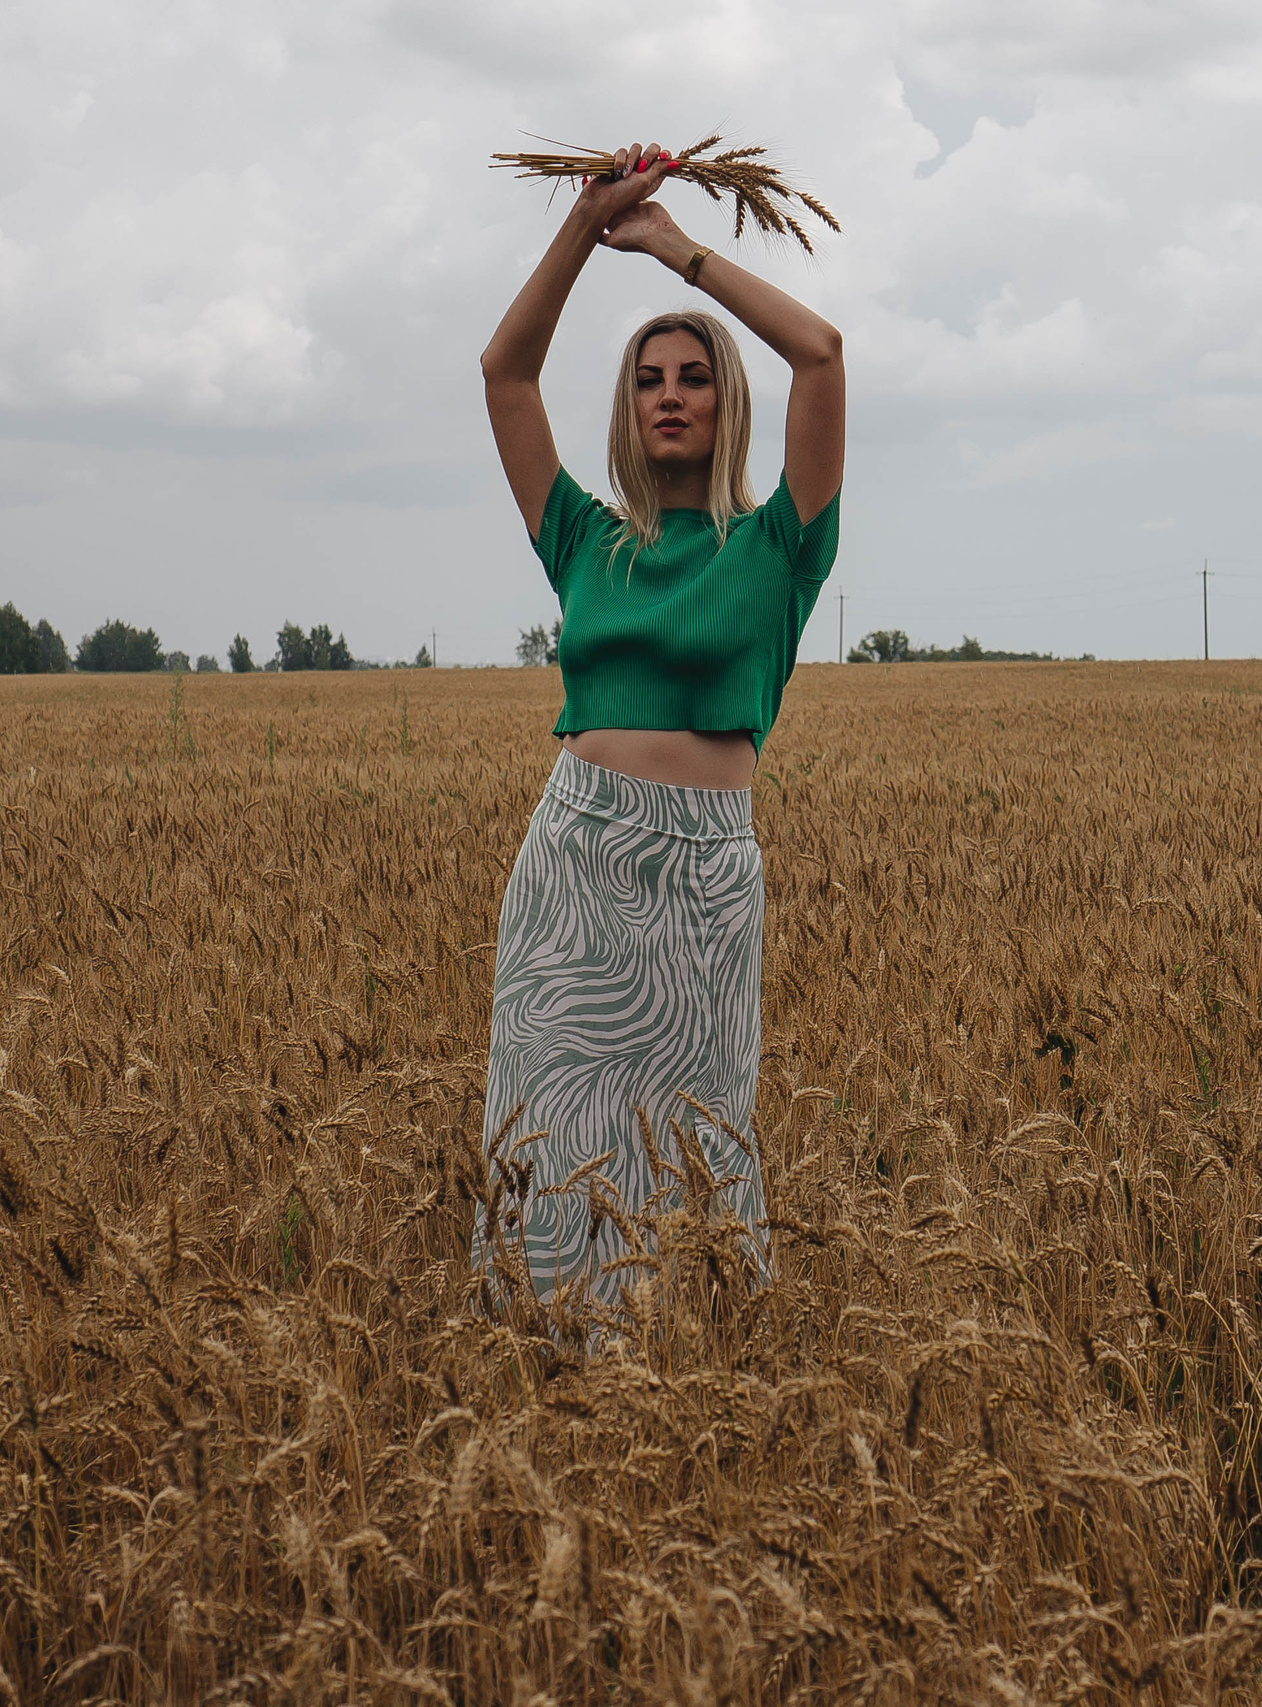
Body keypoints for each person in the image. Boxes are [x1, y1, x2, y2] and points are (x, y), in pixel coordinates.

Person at [476, 141, 845, 1305]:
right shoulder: (585, 539)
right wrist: (585, 230)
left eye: (690, 375)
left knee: (696, 1138)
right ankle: (541, 1364)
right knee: (551, 1138)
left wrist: (677, 252)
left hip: (704, 877)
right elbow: (505, 374)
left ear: (723, 400)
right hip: (575, 860)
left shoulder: (780, 545)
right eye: (647, 380)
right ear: (629, 413)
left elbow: (822, 353)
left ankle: (695, 1383)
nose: (670, 393)